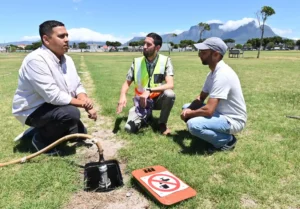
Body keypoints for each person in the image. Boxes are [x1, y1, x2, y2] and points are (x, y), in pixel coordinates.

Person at [12, 20, 97, 155]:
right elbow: (53, 95)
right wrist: (85, 105)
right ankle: (40, 140)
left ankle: (41, 129)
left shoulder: (67, 60)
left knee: (80, 134)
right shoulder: (35, 60)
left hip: (52, 106)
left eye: (67, 35)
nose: (67, 40)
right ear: (46, 39)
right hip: (33, 110)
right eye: (61, 36)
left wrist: (84, 98)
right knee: (71, 114)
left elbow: (77, 85)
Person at [180, 37, 247, 153]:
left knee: (193, 125)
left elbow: (209, 110)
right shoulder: (212, 73)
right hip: (220, 113)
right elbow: (201, 98)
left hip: (232, 119)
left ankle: (227, 140)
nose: (199, 55)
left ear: (216, 55)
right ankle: (211, 134)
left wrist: (190, 114)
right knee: (186, 107)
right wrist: (189, 110)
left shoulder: (222, 75)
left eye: (204, 52)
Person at [116, 33, 175, 135]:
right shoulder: (137, 62)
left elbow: (170, 85)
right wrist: (122, 95)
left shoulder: (165, 61)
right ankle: (146, 115)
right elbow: (126, 83)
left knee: (170, 94)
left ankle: (162, 123)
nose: (144, 47)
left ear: (157, 47)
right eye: (144, 44)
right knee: (129, 128)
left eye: (148, 44)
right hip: (141, 102)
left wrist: (149, 90)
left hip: (157, 99)